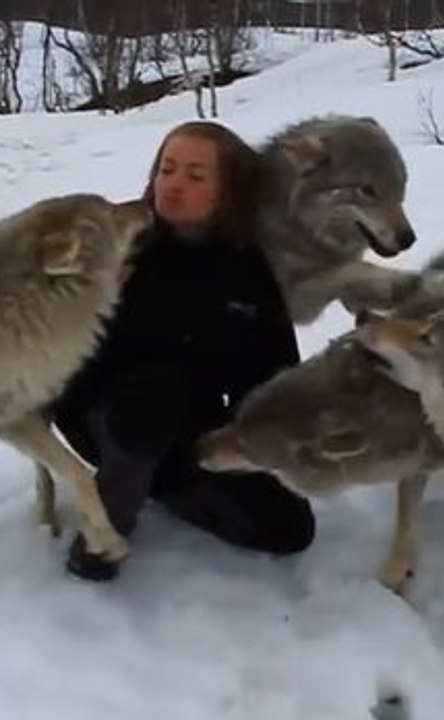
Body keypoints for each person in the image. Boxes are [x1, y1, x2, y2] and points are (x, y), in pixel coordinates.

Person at [46, 121, 315, 581]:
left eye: (195, 175)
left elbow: (274, 378)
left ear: (228, 191)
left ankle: (159, 482)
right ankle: (104, 527)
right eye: (166, 169)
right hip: (103, 416)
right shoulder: (122, 246)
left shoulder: (248, 270)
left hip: (192, 430)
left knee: (290, 528)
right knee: (157, 390)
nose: (173, 185)